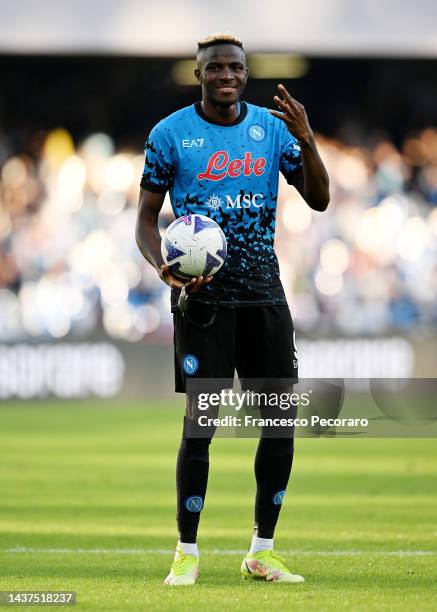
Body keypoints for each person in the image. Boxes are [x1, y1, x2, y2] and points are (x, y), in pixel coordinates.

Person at [135, 33, 329, 585]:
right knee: (201, 429)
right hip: (204, 305)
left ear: (246, 74)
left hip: (265, 297)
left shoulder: (272, 131)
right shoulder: (169, 135)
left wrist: (308, 139)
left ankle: (262, 550)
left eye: (236, 68)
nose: (227, 75)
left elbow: (319, 198)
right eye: (215, 67)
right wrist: (163, 269)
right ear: (199, 74)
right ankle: (187, 552)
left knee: (279, 426)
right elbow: (146, 222)